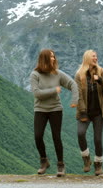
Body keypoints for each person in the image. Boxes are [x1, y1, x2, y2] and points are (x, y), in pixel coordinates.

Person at [30, 49, 79, 177]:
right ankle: (44, 161)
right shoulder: (35, 75)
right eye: (51, 57)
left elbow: (73, 84)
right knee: (38, 136)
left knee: (56, 137)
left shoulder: (58, 74)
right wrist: (55, 90)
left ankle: (61, 165)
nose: (53, 59)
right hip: (40, 109)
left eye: (54, 56)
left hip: (55, 109)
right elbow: (37, 94)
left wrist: (75, 100)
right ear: (44, 59)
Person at [74, 50, 103, 176]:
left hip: (99, 112)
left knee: (97, 139)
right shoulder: (79, 74)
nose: (96, 58)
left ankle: (98, 164)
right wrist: (83, 112)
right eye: (93, 56)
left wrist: (100, 80)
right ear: (87, 58)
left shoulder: (101, 71)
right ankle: (86, 159)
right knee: (80, 133)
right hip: (84, 112)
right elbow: (79, 95)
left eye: (96, 56)